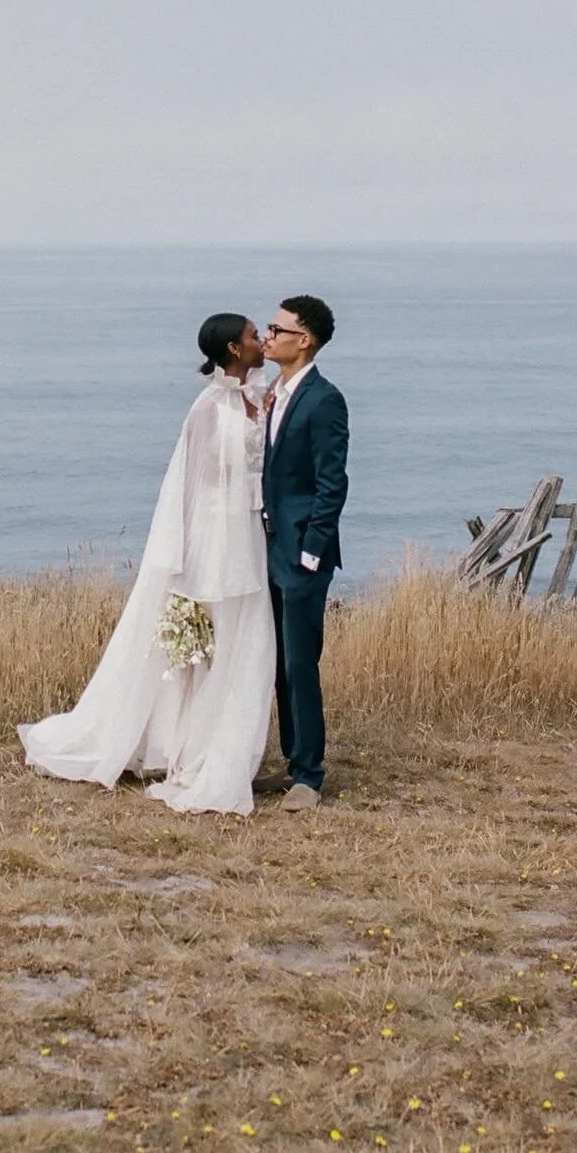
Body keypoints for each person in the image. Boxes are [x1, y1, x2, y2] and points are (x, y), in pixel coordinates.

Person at [18, 313, 277, 817]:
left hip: (249, 536)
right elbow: (188, 490)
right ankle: (188, 750)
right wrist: (183, 565)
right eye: (252, 335)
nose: (261, 340)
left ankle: (221, 747)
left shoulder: (257, 397)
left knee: (243, 643)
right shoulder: (207, 409)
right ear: (233, 349)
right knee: (204, 650)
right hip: (216, 541)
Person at [260, 296, 349, 811]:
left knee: (300, 661)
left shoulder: (324, 399)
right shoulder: (275, 392)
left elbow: (331, 482)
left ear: (304, 339)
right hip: (269, 547)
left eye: (277, 328)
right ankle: (293, 761)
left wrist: (312, 552)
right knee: (277, 663)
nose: (267, 336)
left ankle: (310, 777)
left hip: (301, 557)